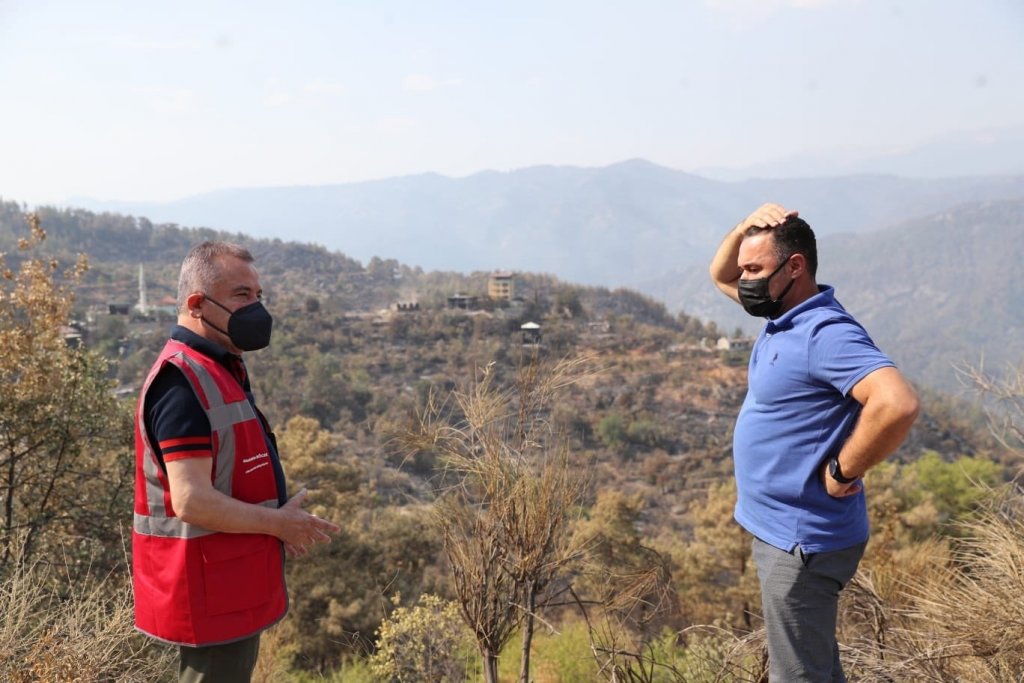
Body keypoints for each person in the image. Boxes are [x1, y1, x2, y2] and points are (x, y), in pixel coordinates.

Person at [708, 203, 919, 682]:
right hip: (785, 532)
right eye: (745, 269)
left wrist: (844, 469)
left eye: (755, 269)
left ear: (795, 267)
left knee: (798, 675)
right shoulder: (782, 313)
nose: (743, 280)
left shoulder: (823, 332)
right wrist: (746, 227)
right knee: (814, 664)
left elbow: (897, 403)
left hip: (800, 541)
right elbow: (717, 272)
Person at [132, 241, 341, 682]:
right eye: (241, 296)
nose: (256, 308)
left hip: (226, 589)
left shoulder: (217, 368)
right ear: (196, 304)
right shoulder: (181, 383)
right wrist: (279, 524)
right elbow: (192, 501)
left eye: (258, 296)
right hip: (207, 597)